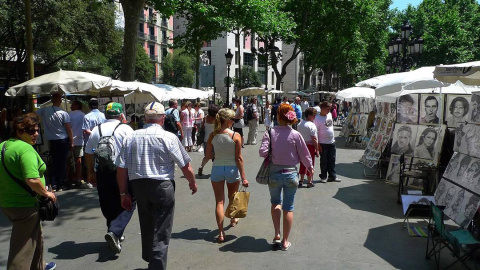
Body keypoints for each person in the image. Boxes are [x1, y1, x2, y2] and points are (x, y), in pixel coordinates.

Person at [117, 101, 197, 270]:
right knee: (161, 229)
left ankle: (151, 259)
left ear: (145, 118)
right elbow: (185, 165)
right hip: (162, 186)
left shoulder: (131, 136)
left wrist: (123, 193)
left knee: (146, 225)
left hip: (139, 186)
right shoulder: (169, 137)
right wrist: (192, 182)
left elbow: (121, 168)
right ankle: (156, 266)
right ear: (162, 118)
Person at [0, 113, 57, 270]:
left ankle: (39, 266)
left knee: (34, 236)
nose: (36, 134)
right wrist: (47, 194)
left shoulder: (4, 146)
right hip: (25, 205)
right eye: (31, 131)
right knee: (22, 248)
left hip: (8, 203)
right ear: (19, 132)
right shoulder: (25, 150)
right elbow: (32, 179)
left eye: (37, 130)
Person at [259, 103, 313, 251]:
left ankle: (277, 233)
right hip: (291, 174)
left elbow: (262, 152)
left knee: (276, 202)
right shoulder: (296, 135)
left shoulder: (270, 132)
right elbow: (304, 154)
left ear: (278, 116)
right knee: (288, 208)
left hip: (274, 173)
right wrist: (310, 168)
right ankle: (285, 241)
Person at [85, 102, 135, 254]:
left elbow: (88, 153)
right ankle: (114, 232)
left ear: (105, 115)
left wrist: (90, 173)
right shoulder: (126, 129)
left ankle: (113, 232)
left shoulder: (96, 130)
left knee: (108, 202)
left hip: (102, 171)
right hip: (123, 171)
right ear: (121, 115)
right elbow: (134, 151)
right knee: (129, 201)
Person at [204, 108, 249, 242]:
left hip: (217, 168)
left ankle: (221, 233)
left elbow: (208, 155)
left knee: (219, 201)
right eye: (233, 119)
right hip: (231, 169)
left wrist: (217, 153)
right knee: (232, 196)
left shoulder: (213, 135)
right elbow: (239, 158)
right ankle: (233, 218)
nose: (234, 121)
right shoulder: (235, 135)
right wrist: (244, 177)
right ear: (228, 120)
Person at [36, 92, 73, 192]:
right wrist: (72, 141)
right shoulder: (63, 113)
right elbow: (68, 129)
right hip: (62, 139)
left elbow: (35, 114)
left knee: (54, 161)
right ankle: (60, 183)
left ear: (52, 101)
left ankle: (54, 183)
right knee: (62, 162)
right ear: (60, 101)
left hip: (51, 139)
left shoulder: (45, 110)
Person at [314, 101, 340, 183]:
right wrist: (318, 145)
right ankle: (324, 176)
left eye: (330, 109)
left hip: (331, 141)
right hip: (323, 142)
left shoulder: (329, 114)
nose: (329, 111)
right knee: (324, 160)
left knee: (332, 159)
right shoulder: (317, 118)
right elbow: (316, 132)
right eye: (328, 109)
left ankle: (332, 176)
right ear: (322, 108)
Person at [297, 108, 319, 188]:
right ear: (309, 115)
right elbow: (314, 139)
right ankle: (309, 181)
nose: (314, 117)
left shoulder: (300, 124)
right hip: (310, 146)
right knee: (310, 163)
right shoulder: (311, 125)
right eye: (313, 115)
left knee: (302, 163)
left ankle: (301, 180)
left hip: (302, 145)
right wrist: (317, 149)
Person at [67, 100, 86, 187]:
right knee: (78, 160)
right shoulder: (83, 115)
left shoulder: (69, 115)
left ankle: (68, 177)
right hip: (79, 140)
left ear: (77, 106)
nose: (71, 106)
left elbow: (67, 127)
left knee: (68, 160)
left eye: (72, 105)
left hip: (69, 140)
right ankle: (78, 177)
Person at [198, 104, 220, 176]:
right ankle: (215, 170)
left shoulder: (206, 117)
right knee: (217, 155)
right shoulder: (217, 119)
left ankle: (201, 167)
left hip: (206, 139)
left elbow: (202, 127)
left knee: (207, 156)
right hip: (216, 139)